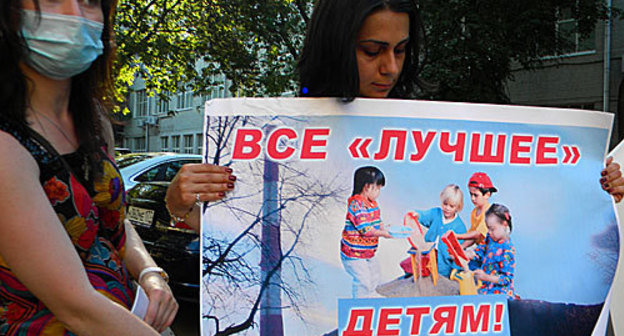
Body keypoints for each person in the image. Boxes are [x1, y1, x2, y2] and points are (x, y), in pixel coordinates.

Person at [0, 0, 176, 334]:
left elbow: (114, 222)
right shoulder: (5, 146)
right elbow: (76, 307)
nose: (74, 15)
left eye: (90, 2)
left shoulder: (94, 120)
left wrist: (151, 275)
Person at [341, 166, 393, 298]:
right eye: (377, 188)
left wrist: (384, 228)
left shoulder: (372, 203)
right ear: (367, 187)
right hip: (353, 253)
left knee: (375, 273)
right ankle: (361, 302)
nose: (378, 192)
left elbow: (376, 221)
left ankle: (371, 294)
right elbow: (366, 229)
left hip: (367, 251)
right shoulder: (356, 205)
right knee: (362, 279)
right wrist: (383, 234)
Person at [408, 184, 467, 278]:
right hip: (427, 255)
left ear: (458, 207)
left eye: (451, 206)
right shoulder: (436, 213)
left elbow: (458, 252)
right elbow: (424, 215)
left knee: (439, 277)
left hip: (444, 265)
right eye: (445, 204)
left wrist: (456, 270)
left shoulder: (459, 227)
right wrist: (417, 214)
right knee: (410, 265)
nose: (447, 208)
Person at [465, 203, 516, 299]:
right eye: (488, 228)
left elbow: (506, 279)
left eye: (492, 229)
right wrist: (471, 254)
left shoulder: (508, 249)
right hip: (485, 291)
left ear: (504, 224)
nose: (489, 232)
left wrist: (486, 277)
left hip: (500, 297)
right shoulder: (489, 238)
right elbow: (479, 251)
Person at [456, 172, 497, 249]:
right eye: (471, 194)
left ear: (487, 195)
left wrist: (458, 236)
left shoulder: (489, 213)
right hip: (481, 249)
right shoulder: (474, 212)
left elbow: (478, 234)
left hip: (492, 251)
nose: (472, 198)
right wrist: (461, 247)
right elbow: (472, 236)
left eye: (476, 195)